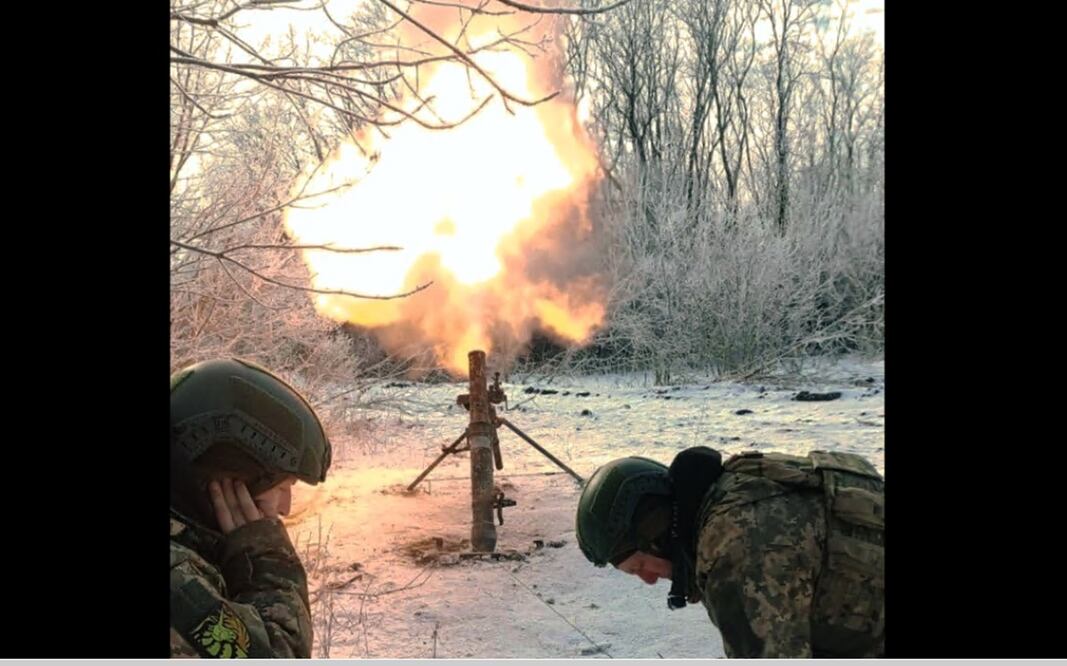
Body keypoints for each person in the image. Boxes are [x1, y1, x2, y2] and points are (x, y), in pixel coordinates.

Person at [575, 446, 884, 658]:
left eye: (638, 567)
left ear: (655, 535)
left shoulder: (733, 552)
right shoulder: (741, 486)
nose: (648, 580)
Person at [169, 358, 332, 658]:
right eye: (282, 487)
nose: (285, 507)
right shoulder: (178, 581)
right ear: (230, 475)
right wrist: (265, 559)